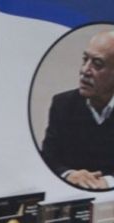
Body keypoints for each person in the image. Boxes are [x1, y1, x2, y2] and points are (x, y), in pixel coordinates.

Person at [40, 30, 114, 190]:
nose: (84, 71)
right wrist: (69, 174)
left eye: (97, 64)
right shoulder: (62, 104)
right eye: (85, 60)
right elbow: (48, 159)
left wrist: (108, 183)